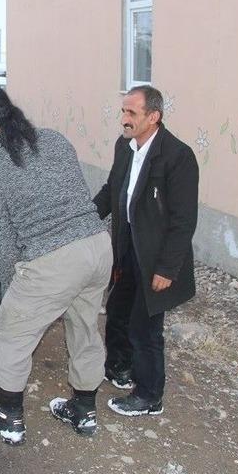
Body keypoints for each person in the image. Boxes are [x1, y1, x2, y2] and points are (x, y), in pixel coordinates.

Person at [0, 87, 112, 445]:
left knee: (10, 334)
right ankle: (84, 411)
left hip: (53, 258)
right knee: (85, 327)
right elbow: (74, 193)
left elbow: (4, 242)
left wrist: (12, 294)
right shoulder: (55, 140)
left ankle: (10, 419)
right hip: (97, 246)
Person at [92, 85, 199, 416]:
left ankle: (150, 395)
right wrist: (84, 217)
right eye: (123, 111)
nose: (124, 119)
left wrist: (167, 269)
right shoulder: (124, 147)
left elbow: (183, 221)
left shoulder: (178, 156)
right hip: (126, 252)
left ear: (154, 116)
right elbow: (112, 190)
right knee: (117, 314)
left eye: (131, 113)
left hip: (155, 259)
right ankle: (120, 370)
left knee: (145, 328)